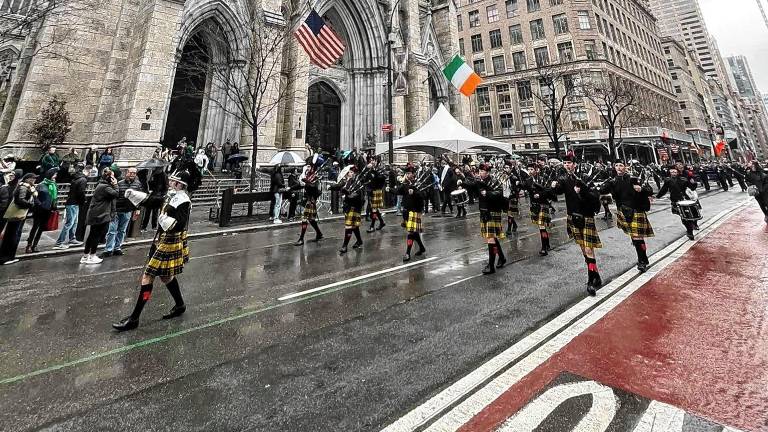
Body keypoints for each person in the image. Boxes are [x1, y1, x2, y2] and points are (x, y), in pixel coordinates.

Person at [112, 163, 201, 331]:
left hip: (169, 241)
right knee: (166, 277)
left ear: (180, 184)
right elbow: (154, 200)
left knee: (148, 277)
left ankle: (134, 318)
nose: (170, 183)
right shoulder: (170, 195)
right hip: (162, 239)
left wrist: (164, 220)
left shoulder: (183, 200)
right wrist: (136, 196)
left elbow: (180, 223)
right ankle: (180, 305)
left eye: (173, 181)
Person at [551, 155, 603, 295]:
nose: (567, 165)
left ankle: (591, 281)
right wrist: (554, 185)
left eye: (569, 163)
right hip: (573, 215)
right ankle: (596, 275)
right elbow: (558, 192)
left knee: (588, 250)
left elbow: (594, 196)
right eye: (565, 163)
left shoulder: (584, 176)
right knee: (583, 249)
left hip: (586, 215)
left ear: (574, 164)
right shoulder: (565, 179)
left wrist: (583, 190)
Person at [601, 161, 655, 272]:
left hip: (636, 210)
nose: (618, 168)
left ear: (625, 167)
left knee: (637, 237)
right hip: (624, 211)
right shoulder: (613, 181)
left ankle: (642, 261)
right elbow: (602, 190)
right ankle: (643, 259)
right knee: (635, 238)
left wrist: (641, 189)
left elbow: (649, 190)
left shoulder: (633, 178)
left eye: (621, 165)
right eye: (616, 165)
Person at [464, 163, 507, 274]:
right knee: (492, 238)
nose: (480, 173)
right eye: (479, 171)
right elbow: (470, 185)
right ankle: (501, 258)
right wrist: (462, 182)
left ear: (487, 172)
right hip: (484, 212)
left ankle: (491, 265)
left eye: (482, 171)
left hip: (493, 211)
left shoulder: (494, 181)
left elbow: (499, 193)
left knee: (490, 238)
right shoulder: (479, 182)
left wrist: (487, 193)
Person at [102, 167, 144, 257]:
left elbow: (139, 198)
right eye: (130, 172)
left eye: (134, 173)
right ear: (126, 173)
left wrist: (137, 209)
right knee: (112, 230)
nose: (132, 174)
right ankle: (108, 249)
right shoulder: (119, 183)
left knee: (122, 230)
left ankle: (117, 247)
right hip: (116, 210)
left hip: (127, 210)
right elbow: (114, 195)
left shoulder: (138, 184)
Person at [82, 168, 118, 264]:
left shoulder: (101, 185)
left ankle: (86, 256)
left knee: (92, 235)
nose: (114, 178)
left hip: (97, 214)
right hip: (100, 215)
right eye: (113, 176)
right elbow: (116, 194)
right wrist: (116, 184)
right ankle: (92, 255)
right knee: (96, 236)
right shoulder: (105, 187)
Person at [0, 173, 36, 265]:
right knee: (13, 235)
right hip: (17, 215)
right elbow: (20, 200)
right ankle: (8, 257)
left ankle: (5, 256)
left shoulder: (21, 186)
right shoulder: (24, 187)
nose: (34, 180)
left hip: (15, 215)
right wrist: (30, 204)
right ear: (28, 179)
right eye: (33, 179)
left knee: (10, 234)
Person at [656, 166, 698, 240]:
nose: (673, 173)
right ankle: (689, 231)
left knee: (688, 216)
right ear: (670, 172)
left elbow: (692, 188)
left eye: (675, 172)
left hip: (684, 199)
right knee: (683, 217)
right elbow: (664, 189)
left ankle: (690, 230)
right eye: (672, 172)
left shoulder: (683, 179)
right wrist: (657, 196)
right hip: (675, 200)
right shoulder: (668, 180)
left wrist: (693, 183)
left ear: (677, 172)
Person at [394, 165, 426, 261]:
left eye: (409, 173)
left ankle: (407, 253)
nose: (408, 175)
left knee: (410, 233)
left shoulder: (418, 183)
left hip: (415, 210)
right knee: (414, 232)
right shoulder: (405, 184)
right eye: (406, 173)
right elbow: (398, 191)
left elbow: (423, 195)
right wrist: (390, 190)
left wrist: (415, 192)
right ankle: (421, 248)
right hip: (406, 211)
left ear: (413, 174)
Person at [523, 162, 555, 256]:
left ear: (536, 170)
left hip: (543, 204)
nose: (530, 171)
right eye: (528, 169)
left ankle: (544, 247)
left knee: (541, 226)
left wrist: (540, 194)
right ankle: (547, 243)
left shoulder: (543, 178)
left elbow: (549, 191)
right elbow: (524, 187)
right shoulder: (528, 180)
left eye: (532, 169)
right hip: (534, 205)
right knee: (541, 226)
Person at [53, 163, 87, 249]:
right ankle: (59, 242)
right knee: (70, 223)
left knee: (74, 222)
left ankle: (72, 238)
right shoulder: (82, 180)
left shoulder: (76, 178)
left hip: (72, 202)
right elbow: (81, 192)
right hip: (73, 203)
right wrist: (83, 201)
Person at [25, 168, 58, 254]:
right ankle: (29, 245)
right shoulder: (41, 185)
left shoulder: (54, 185)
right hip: (39, 209)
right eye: (54, 174)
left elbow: (54, 198)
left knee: (41, 228)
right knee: (35, 227)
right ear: (50, 175)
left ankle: (35, 245)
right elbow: (35, 196)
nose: (55, 176)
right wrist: (39, 204)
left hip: (48, 209)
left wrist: (54, 206)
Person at [333, 166, 364, 254]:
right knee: (354, 226)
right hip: (347, 206)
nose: (350, 174)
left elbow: (355, 195)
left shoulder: (357, 183)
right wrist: (331, 187)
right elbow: (339, 186)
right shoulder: (346, 182)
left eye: (351, 172)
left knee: (349, 226)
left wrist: (346, 193)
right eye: (349, 172)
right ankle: (359, 241)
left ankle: (344, 246)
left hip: (354, 206)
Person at [294, 163, 324, 245]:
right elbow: (302, 183)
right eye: (306, 166)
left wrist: (306, 181)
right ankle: (319, 233)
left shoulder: (315, 178)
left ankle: (301, 239)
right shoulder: (308, 176)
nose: (307, 168)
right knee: (311, 220)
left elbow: (314, 188)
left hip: (311, 200)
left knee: (305, 219)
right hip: (308, 199)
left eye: (309, 166)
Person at [142, 167, 168, 232]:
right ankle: (144, 226)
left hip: (158, 196)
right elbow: (149, 184)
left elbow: (165, 186)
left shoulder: (163, 175)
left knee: (155, 212)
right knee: (147, 212)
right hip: (151, 195)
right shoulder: (151, 174)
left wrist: (162, 194)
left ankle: (154, 226)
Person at [366, 159, 387, 232]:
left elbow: (382, 178)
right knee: (375, 209)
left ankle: (372, 226)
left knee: (374, 210)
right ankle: (382, 222)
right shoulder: (369, 170)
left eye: (373, 161)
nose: (372, 162)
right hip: (371, 191)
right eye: (371, 161)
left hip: (377, 190)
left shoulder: (380, 169)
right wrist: (367, 168)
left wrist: (375, 172)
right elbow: (366, 179)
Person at [0, 169, 19, 234]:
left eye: (13, 175)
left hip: (5, 211)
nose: (10, 176)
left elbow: (5, 202)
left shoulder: (15, 187)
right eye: (10, 175)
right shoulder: (7, 185)